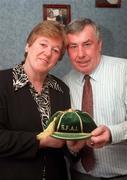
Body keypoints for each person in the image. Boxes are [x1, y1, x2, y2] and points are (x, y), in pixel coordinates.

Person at [0, 20, 71, 180]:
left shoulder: (62, 89)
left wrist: (73, 146)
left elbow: (63, 142)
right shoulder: (2, 82)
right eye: (43, 44)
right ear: (28, 46)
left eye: (55, 50)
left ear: (58, 58)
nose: (47, 53)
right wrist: (40, 140)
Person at [63, 18, 127, 180]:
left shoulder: (124, 71)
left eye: (87, 44)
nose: (80, 54)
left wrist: (112, 133)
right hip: (80, 175)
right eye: (73, 46)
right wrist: (72, 147)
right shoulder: (64, 84)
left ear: (99, 45)